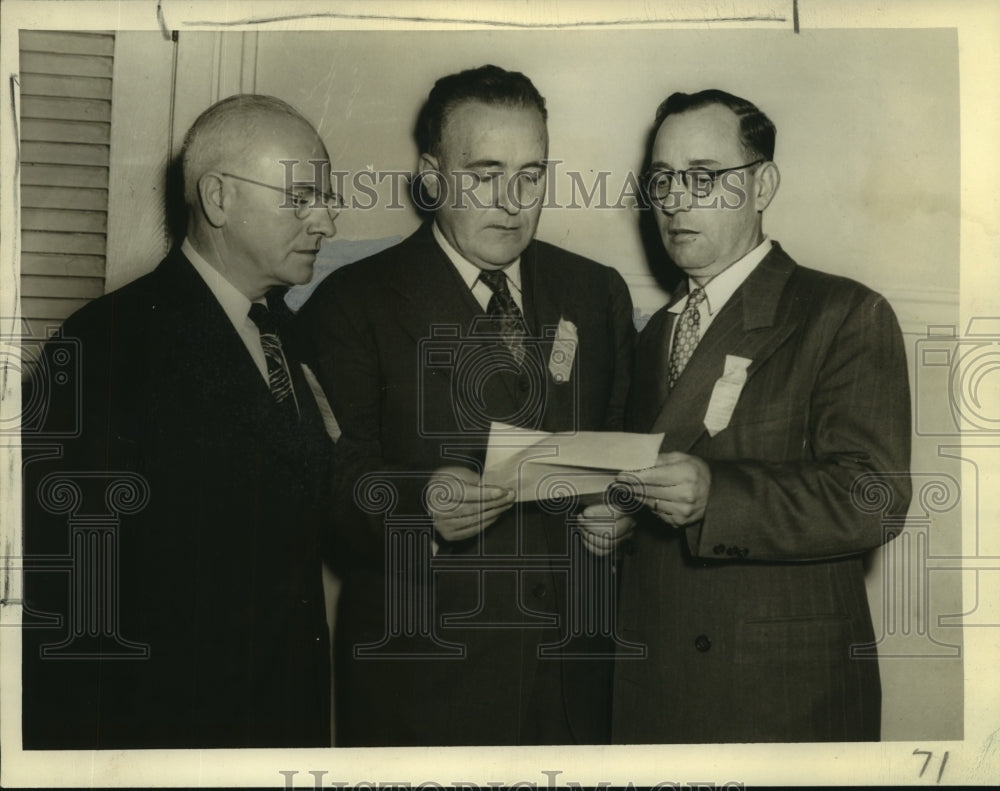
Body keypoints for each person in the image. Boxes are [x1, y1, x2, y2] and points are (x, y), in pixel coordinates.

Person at [301, 64, 636, 745]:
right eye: (485, 173)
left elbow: (628, 447)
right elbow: (330, 489)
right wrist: (421, 504)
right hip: (425, 686)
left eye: (531, 175)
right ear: (430, 176)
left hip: (577, 682)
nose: (511, 201)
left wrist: (625, 509)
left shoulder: (596, 292)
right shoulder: (351, 304)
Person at [21, 94, 340, 748]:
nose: (327, 220)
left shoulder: (285, 332)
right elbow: (71, 606)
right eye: (303, 197)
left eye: (328, 199)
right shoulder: (106, 346)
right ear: (218, 198)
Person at [612, 89, 912, 742]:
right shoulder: (646, 338)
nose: (675, 200)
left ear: (762, 183)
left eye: (703, 177)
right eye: (662, 179)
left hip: (779, 698)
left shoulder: (843, 312)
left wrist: (718, 495)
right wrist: (618, 517)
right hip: (655, 691)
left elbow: (876, 496)